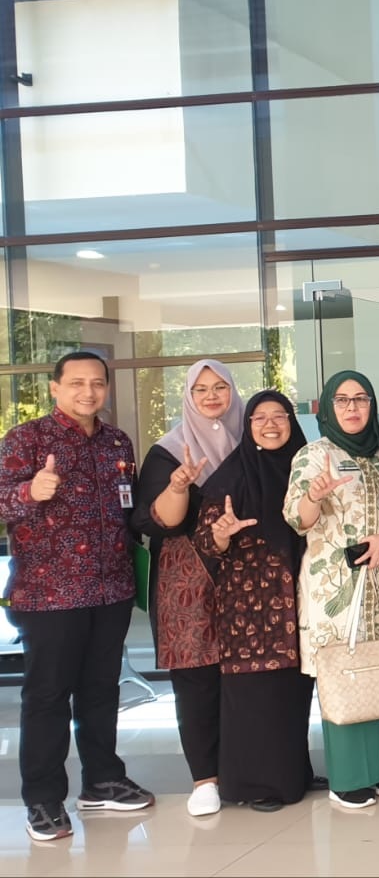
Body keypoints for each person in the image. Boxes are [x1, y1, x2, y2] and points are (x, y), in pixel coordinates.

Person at [0, 351, 155, 841]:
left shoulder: (117, 441)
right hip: (50, 594)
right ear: (54, 387)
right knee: (47, 697)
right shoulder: (27, 439)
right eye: (76, 383)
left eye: (97, 384)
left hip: (110, 588)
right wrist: (30, 492)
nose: (87, 392)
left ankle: (103, 779)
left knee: (101, 691)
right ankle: (44, 799)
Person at [287, 371, 379, 809]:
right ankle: (349, 776)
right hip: (335, 582)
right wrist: (315, 496)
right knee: (346, 668)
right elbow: (297, 519)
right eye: (342, 400)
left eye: (361, 399)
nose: (353, 408)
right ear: (327, 407)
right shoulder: (313, 455)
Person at [131, 359, 243, 817]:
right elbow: (151, 521)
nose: (212, 396)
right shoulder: (169, 451)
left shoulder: (251, 440)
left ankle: (248, 769)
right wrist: (179, 485)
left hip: (247, 578)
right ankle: (206, 780)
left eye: (220, 387)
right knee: (197, 680)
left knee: (251, 678)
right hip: (188, 583)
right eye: (201, 390)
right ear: (188, 397)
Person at [194, 390, 314, 811]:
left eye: (279, 415)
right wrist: (223, 534)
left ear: (291, 422)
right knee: (254, 694)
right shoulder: (232, 476)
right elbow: (206, 539)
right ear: (247, 427)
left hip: (300, 597)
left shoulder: (308, 466)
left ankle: (293, 773)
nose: (270, 424)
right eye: (259, 417)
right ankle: (255, 784)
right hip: (249, 606)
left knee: (293, 691)